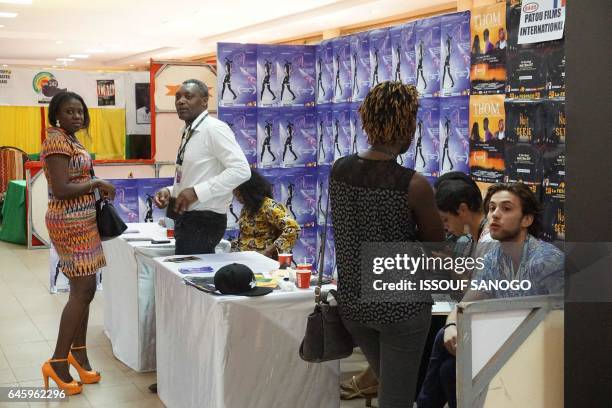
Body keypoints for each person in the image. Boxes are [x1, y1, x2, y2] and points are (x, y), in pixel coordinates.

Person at [330, 81, 445, 408]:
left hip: (353, 304)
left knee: (391, 388)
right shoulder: (414, 184)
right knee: (396, 398)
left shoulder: (339, 170)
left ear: (367, 120)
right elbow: (436, 246)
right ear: (407, 125)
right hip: (401, 308)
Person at [416, 183, 564, 408]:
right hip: (505, 342)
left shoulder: (545, 261)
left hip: (540, 350)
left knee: (449, 365)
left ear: (527, 220)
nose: (495, 215)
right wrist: (452, 327)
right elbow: (465, 305)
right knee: (447, 363)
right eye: (492, 208)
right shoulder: (494, 256)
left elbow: (563, 325)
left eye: (506, 209)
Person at [40, 91, 116, 395]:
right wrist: (96, 183)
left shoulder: (71, 139)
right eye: (70, 112)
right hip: (69, 222)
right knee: (83, 290)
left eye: (80, 112)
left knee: (82, 291)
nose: (77, 117)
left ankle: (79, 353)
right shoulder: (57, 140)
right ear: (57, 115)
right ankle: (58, 360)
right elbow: (60, 188)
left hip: (82, 220)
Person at [154, 79, 250, 256]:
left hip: (205, 220)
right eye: (178, 97)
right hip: (186, 218)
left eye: (188, 96)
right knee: (183, 279)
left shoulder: (214, 129)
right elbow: (194, 174)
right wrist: (170, 191)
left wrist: (198, 192)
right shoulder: (188, 131)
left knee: (189, 280)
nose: (181, 101)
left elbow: (241, 170)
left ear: (205, 101)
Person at [231, 169, 300, 259]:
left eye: (240, 195)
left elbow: (293, 229)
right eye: (236, 196)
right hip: (246, 258)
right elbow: (249, 236)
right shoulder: (247, 208)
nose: (238, 200)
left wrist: (267, 251)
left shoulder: (269, 206)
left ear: (249, 192)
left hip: (264, 261)